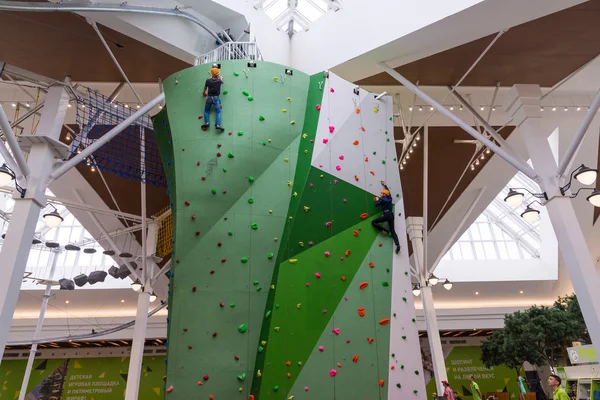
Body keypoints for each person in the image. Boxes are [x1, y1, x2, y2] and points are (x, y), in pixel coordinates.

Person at [372, 180, 401, 254]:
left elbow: (376, 204)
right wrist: (385, 185)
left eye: (381, 193)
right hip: (391, 216)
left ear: (384, 194)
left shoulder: (382, 200)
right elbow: (388, 192)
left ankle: (385, 230)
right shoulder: (390, 198)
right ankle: (397, 245)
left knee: (373, 222)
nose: (380, 194)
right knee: (393, 231)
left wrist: (376, 200)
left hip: (386, 215)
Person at [202, 67, 225, 132]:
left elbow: (205, 88)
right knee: (218, 112)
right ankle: (217, 125)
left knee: (206, 111)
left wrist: (203, 92)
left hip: (209, 97)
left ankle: (207, 123)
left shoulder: (208, 81)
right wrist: (219, 76)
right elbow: (222, 79)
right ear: (217, 74)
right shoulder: (219, 81)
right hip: (216, 98)